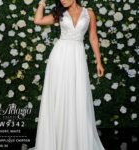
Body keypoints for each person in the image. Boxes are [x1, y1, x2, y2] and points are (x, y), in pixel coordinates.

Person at [29, 0, 105, 149]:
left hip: (77, 57)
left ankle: (74, 141)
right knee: (59, 95)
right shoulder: (59, 12)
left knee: (77, 95)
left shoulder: (89, 13)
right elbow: (38, 20)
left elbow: (93, 37)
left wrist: (99, 61)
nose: (62, 0)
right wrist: (42, 2)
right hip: (59, 56)